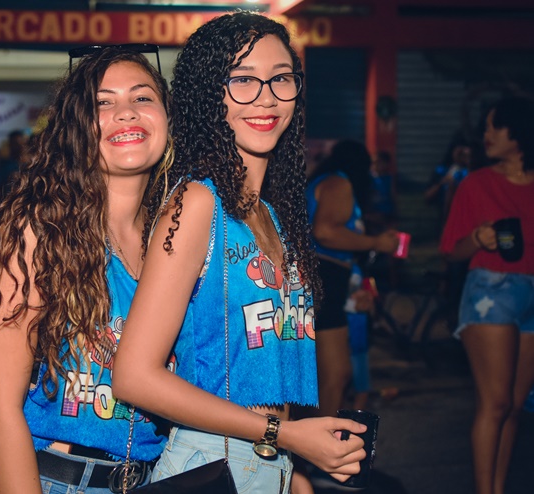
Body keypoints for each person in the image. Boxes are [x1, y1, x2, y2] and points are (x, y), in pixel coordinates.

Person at [112, 12, 366, 494]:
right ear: (210, 95)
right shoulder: (197, 202)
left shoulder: (271, 214)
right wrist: (284, 436)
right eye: (243, 80)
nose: (266, 97)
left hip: (264, 462)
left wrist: (291, 466)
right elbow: (134, 376)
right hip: (212, 463)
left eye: (280, 79)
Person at [0, 46, 172, 493]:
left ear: (167, 118)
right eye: (102, 103)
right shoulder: (35, 230)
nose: (126, 112)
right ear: (76, 128)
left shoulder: (173, 237)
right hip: (41, 477)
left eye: (142, 97)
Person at [440, 96, 534, 494]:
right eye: (486, 126)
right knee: (495, 403)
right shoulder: (476, 183)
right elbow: (451, 250)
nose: (487, 134)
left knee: (513, 405)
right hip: (490, 293)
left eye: (496, 126)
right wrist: (478, 238)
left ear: (520, 132)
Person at [305, 140, 399, 421]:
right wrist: (376, 243)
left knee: (326, 374)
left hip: (325, 279)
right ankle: (320, 441)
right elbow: (325, 232)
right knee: (336, 373)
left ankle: (316, 436)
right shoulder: (339, 183)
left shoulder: (326, 181)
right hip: (325, 277)